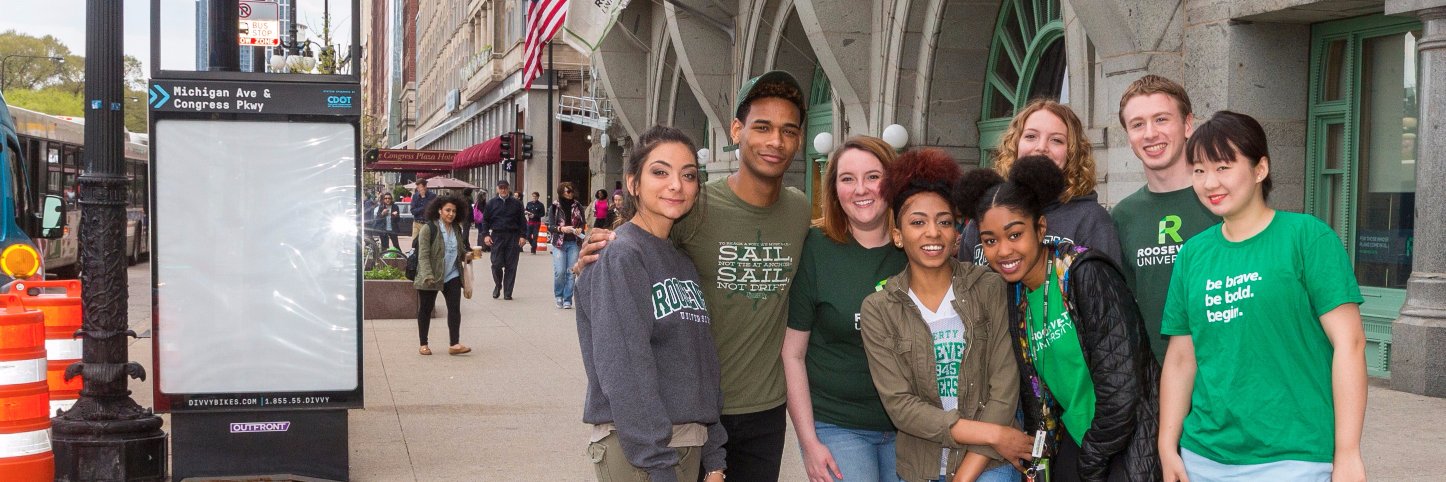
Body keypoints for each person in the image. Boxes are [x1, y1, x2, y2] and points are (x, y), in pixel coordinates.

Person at [578, 71, 813, 481]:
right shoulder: (695, 208)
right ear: (736, 130)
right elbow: (624, 359)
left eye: (788, 130)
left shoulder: (798, 210)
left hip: (754, 412)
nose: (775, 141)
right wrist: (596, 254)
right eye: (762, 127)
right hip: (671, 426)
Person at [1159, 111, 1366, 482]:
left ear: (1260, 169)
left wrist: (1348, 452)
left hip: (1294, 457)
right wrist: (1166, 444)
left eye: (1223, 167)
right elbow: (1180, 358)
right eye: (1199, 170)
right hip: (1203, 456)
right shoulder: (1192, 254)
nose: (1209, 183)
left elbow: (1349, 344)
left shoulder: (1307, 237)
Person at [955, 156, 1162, 482]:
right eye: (990, 241)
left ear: (1040, 228)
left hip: (1128, 440)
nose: (1004, 251)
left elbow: (1123, 389)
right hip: (1076, 439)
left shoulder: (1084, 273)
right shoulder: (1015, 294)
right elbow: (1038, 395)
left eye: (1014, 234)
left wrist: (1092, 463)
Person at [859, 149, 1028, 482]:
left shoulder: (990, 288)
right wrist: (993, 434)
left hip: (988, 465)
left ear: (957, 235)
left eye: (944, 221)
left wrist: (965, 476)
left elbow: (1004, 389)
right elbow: (901, 407)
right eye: (918, 222)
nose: (932, 232)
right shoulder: (879, 309)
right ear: (897, 234)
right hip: (921, 467)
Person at [576, 125, 726, 482]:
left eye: (688, 175)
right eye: (660, 172)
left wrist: (714, 454)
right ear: (633, 184)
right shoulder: (621, 254)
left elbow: (701, 362)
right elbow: (625, 367)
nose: (677, 184)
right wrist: (658, 464)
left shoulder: (680, 260)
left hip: (686, 444)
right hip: (640, 454)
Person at [783, 136, 907, 482]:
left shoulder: (915, 246)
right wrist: (809, 443)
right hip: (837, 424)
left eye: (873, 176)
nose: (860, 189)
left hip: (912, 426)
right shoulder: (816, 250)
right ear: (834, 188)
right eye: (847, 178)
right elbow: (792, 354)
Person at [1110, 75, 1221, 361]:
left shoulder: (1220, 199)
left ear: (1187, 125)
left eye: (1161, 119)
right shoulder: (1122, 216)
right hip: (1156, 382)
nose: (1149, 134)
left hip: (1225, 377)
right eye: (1137, 124)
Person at [961, 100, 1120, 266]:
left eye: (1056, 140)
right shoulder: (984, 215)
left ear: (1072, 153)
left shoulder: (1091, 220)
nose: (1041, 147)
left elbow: (1106, 289)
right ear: (1015, 144)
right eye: (1031, 136)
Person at [413, 194, 473, 356]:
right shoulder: (429, 229)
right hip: (431, 276)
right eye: (447, 210)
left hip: (452, 275)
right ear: (439, 211)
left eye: (453, 211)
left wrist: (468, 255)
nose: (451, 214)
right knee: (425, 309)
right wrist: (427, 275)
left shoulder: (456, 229)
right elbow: (423, 256)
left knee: (454, 309)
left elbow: (460, 251)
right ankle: (423, 344)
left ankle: (454, 344)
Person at [479, 179, 527, 300]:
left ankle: (508, 292)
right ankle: (498, 285)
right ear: (497, 189)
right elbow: (485, 221)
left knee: (511, 266)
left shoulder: (517, 204)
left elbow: (522, 221)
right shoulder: (491, 203)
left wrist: (523, 236)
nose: (503, 190)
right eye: (501, 188)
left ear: (508, 188)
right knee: (496, 264)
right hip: (497, 236)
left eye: (505, 188)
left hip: (513, 236)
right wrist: (485, 235)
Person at [548, 181, 587, 309]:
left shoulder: (578, 206)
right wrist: (561, 229)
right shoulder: (554, 206)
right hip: (559, 242)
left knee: (571, 272)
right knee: (559, 271)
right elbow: (550, 226)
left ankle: (567, 299)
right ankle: (558, 295)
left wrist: (580, 229)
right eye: (567, 191)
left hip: (574, 242)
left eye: (572, 191)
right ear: (561, 192)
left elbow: (583, 222)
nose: (570, 194)